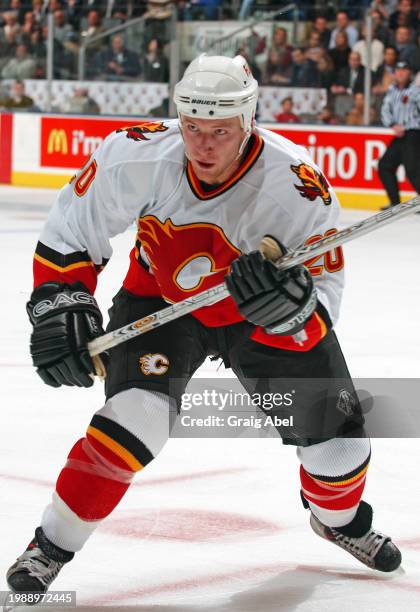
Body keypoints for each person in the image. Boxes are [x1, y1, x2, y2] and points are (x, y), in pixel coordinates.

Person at [5, 54, 402, 598]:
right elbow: (72, 231)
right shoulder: (136, 153)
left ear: (248, 121)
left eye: (220, 131)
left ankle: (338, 521)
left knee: (340, 451)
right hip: (160, 301)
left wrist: (290, 312)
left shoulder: (297, 186)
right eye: (193, 127)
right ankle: (50, 544)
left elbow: (323, 301)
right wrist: (61, 302)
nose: (203, 145)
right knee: (132, 421)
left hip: (259, 321)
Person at [378, 61, 420, 208]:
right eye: (398, 70)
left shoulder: (415, 90)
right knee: (385, 166)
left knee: (413, 169)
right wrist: (392, 124)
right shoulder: (392, 91)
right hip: (400, 136)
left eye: (404, 70)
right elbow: (385, 110)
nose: (401, 73)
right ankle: (395, 202)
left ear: (410, 73)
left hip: (415, 134)